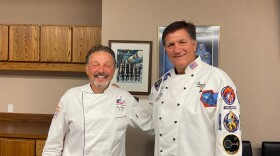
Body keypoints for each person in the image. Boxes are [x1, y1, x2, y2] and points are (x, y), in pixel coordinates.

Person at [148, 20, 242, 156]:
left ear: (194, 44)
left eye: (182, 42)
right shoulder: (161, 84)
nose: (177, 49)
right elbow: (150, 119)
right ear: (166, 50)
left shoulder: (217, 79)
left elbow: (229, 133)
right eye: (170, 45)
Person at [42, 45, 153, 156]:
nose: (101, 70)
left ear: (114, 70)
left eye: (107, 65)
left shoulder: (124, 98)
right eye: (96, 65)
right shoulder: (71, 97)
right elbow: (53, 144)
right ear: (87, 69)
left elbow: (151, 126)